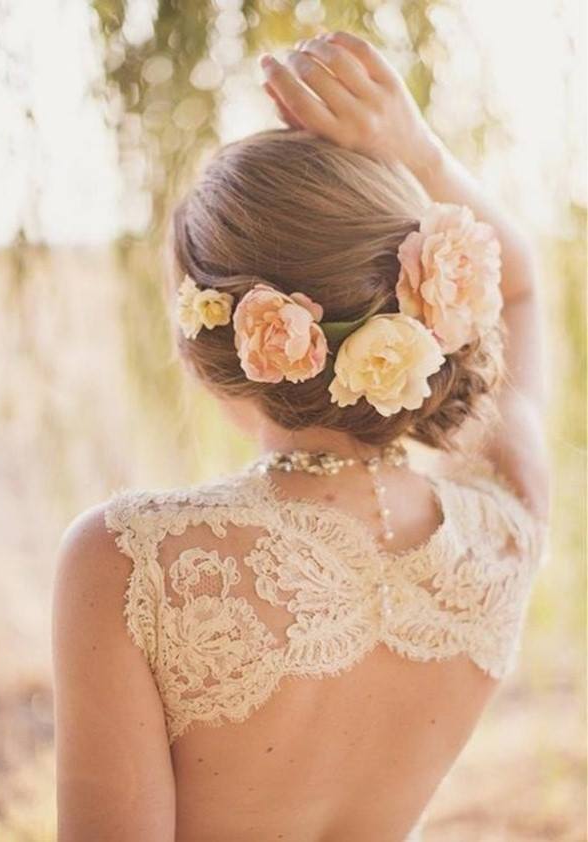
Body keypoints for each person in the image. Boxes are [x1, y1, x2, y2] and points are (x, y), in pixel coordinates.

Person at [52, 30, 550, 842]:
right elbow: (520, 282)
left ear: (210, 347)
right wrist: (415, 151)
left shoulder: (128, 561)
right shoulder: (504, 528)